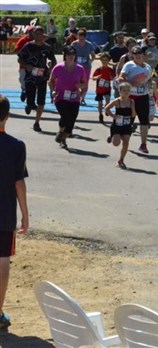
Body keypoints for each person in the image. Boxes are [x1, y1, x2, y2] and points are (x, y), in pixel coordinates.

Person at [0, 95, 29, 331]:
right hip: (4, 213)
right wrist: (25, 215)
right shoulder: (16, 146)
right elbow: (19, 183)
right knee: (2, 260)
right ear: (7, 117)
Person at [17, 26, 57, 132]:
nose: (39, 35)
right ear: (34, 34)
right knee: (31, 101)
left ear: (43, 35)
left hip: (42, 77)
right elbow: (20, 58)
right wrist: (26, 66)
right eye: (37, 33)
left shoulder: (47, 47)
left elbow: (53, 60)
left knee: (41, 101)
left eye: (41, 33)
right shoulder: (28, 46)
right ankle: (29, 104)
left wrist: (50, 68)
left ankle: (37, 123)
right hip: (30, 76)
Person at [48, 46, 87, 148]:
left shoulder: (80, 69)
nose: (71, 56)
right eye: (69, 54)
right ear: (65, 55)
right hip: (60, 97)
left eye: (73, 54)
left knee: (72, 120)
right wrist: (52, 91)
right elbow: (51, 81)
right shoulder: (58, 68)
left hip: (74, 98)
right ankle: (61, 132)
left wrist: (81, 90)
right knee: (65, 117)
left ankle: (63, 139)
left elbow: (84, 84)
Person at [119, 46, 153, 154]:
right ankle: (125, 140)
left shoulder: (147, 67)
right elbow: (121, 78)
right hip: (131, 97)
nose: (138, 55)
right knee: (128, 120)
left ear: (143, 55)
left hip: (143, 96)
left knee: (144, 121)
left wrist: (150, 84)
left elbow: (149, 79)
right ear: (132, 55)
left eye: (139, 53)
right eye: (135, 53)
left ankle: (143, 144)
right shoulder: (129, 65)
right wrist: (131, 84)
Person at [104, 82, 136, 169]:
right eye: (124, 90)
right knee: (116, 143)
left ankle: (121, 160)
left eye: (128, 90)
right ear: (120, 91)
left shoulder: (131, 102)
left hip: (126, 126)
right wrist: (113, 116)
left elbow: (133, 114)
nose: (126, 92)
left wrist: (133, 114)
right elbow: (106, 108)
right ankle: (112, 137)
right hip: (117, 126)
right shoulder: (117, 101)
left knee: (126, 143)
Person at [71, 28, 97, 104]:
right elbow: (70, 53)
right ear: (77, 36)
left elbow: (93, 55)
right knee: (76, 82)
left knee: (85, 83)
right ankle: (77, 96)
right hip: (76, 66)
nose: (81, 39)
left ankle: (82, 98)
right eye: (80, 37)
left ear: (85, 37)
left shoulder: (89, 44)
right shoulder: (74, 44)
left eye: (83, 38)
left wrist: (90, 61)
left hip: (86, 66)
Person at [92, 52, 116, 123]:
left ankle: (106, 109)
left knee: (108, 100)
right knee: (100, 103)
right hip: (99, 89)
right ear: (101, 60)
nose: (104, 61)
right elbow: (93, 78)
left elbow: (113, 77)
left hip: (107, 88)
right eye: (103, 60)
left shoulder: (110, 70)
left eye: (106, 60)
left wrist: (112, 78)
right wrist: (97, 77)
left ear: (109, 61)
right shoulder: (99, 69)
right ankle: (100, 114)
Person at [14, 26, 34, 103]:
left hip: (35, 65)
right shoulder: (23, 40)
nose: (32, 33)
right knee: (22, 79)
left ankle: (31, 99)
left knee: (33, 81)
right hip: (24, 64)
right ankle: (24, 90)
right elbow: (16, 50)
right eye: (31, 32)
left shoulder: (39, 40)